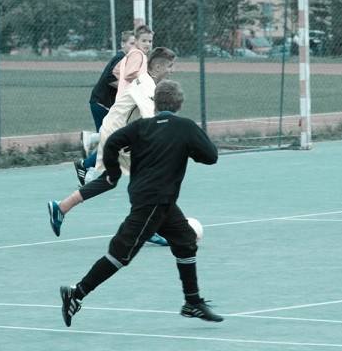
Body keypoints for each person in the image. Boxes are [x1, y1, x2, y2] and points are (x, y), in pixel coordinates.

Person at [59, 79, 223, 327]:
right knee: (120, 254)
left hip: (157, 200)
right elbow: (211, 156)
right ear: (179, 104)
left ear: (155, 103)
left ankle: (192, 302)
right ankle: (77, 293)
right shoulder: (185, 127)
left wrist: (113, 174)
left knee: (186, 241)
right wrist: (190, 149)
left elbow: (112, 142)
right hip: (153, 201)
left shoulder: (141, 127)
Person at [49, 47, 177, 246]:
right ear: (158, 67)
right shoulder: (146, 86)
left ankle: (62, 207)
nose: (172, 70)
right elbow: (151, 120)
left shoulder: (148, 83)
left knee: (110, 180)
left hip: (117, 134)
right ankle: (148, 227)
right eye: (170, 66)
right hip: (118, 136)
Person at [76, 30, 135, 184]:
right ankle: (85, 163)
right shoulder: (121, 58)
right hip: (101, 104)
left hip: (100, 103)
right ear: (123, 44)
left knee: (108, 141)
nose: (134, 47)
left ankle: (87, 168)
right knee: (111, 142)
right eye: (131, 43)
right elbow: (110, 79)